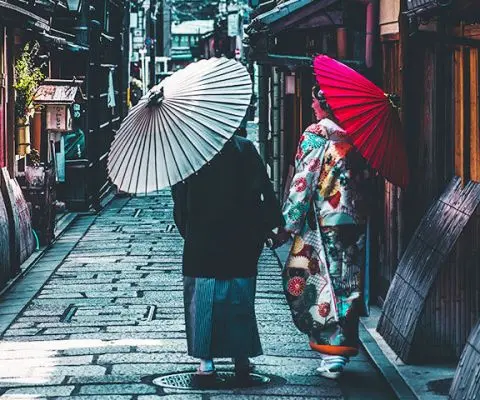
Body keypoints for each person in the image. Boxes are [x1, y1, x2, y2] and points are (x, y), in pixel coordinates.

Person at [271, 85, 371, 379]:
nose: (313, 105)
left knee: (313, 279)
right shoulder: (353, 135)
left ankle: (330, 352)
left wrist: (288, 223)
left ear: (324, 104)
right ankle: (341, 350)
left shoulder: (317, 133)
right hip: (352, 220)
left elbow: (304, 179)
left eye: (315, 101)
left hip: (322, 221)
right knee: (347, 282)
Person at [171, 131, 284, 381]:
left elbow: (179, 202)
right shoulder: (245, 149)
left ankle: (206, 362)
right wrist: (271, 226)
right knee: (239, 299)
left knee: (201, 301)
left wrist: (188, 231)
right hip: (241, 239)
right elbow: (264, 192)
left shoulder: (189, 153)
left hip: (202, 241)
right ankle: (241, 358)